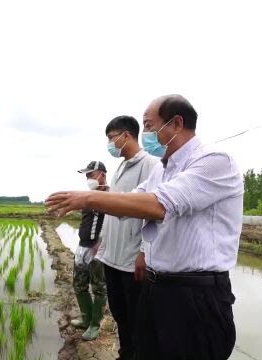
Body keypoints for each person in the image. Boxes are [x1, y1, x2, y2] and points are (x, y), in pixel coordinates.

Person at [46, 94, 244, 360]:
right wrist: (94, 198)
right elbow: (130, 203)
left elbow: (160, 205)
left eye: (150, 126)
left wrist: (90, 197)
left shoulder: (215, 161)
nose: (146, 133)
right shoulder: (161, 171)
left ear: (176, 123)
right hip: (157, 288)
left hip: (196, 295)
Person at [96, 115, 158, 359]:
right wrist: (103, 244)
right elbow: (116, 208)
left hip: (132, 260)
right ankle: (125, 354)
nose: (110, 144)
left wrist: (144, 252)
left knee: (136, 318)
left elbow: (153, 212)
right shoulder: (121, 167)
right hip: (112, 256)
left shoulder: (150, 165)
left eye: (112, 138)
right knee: (120, 314)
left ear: (127, 135)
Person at [71, 160, 109, 341]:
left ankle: (95, 325)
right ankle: (86, 319)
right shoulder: (89, 196)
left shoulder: (111, 195)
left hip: (98, 248)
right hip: (83, 245)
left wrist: (100, 244)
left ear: (102, 174)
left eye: (91, 175)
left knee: (99, 288)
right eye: (86, 176)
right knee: (79, 285)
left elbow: (111, 222)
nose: (88, 179)